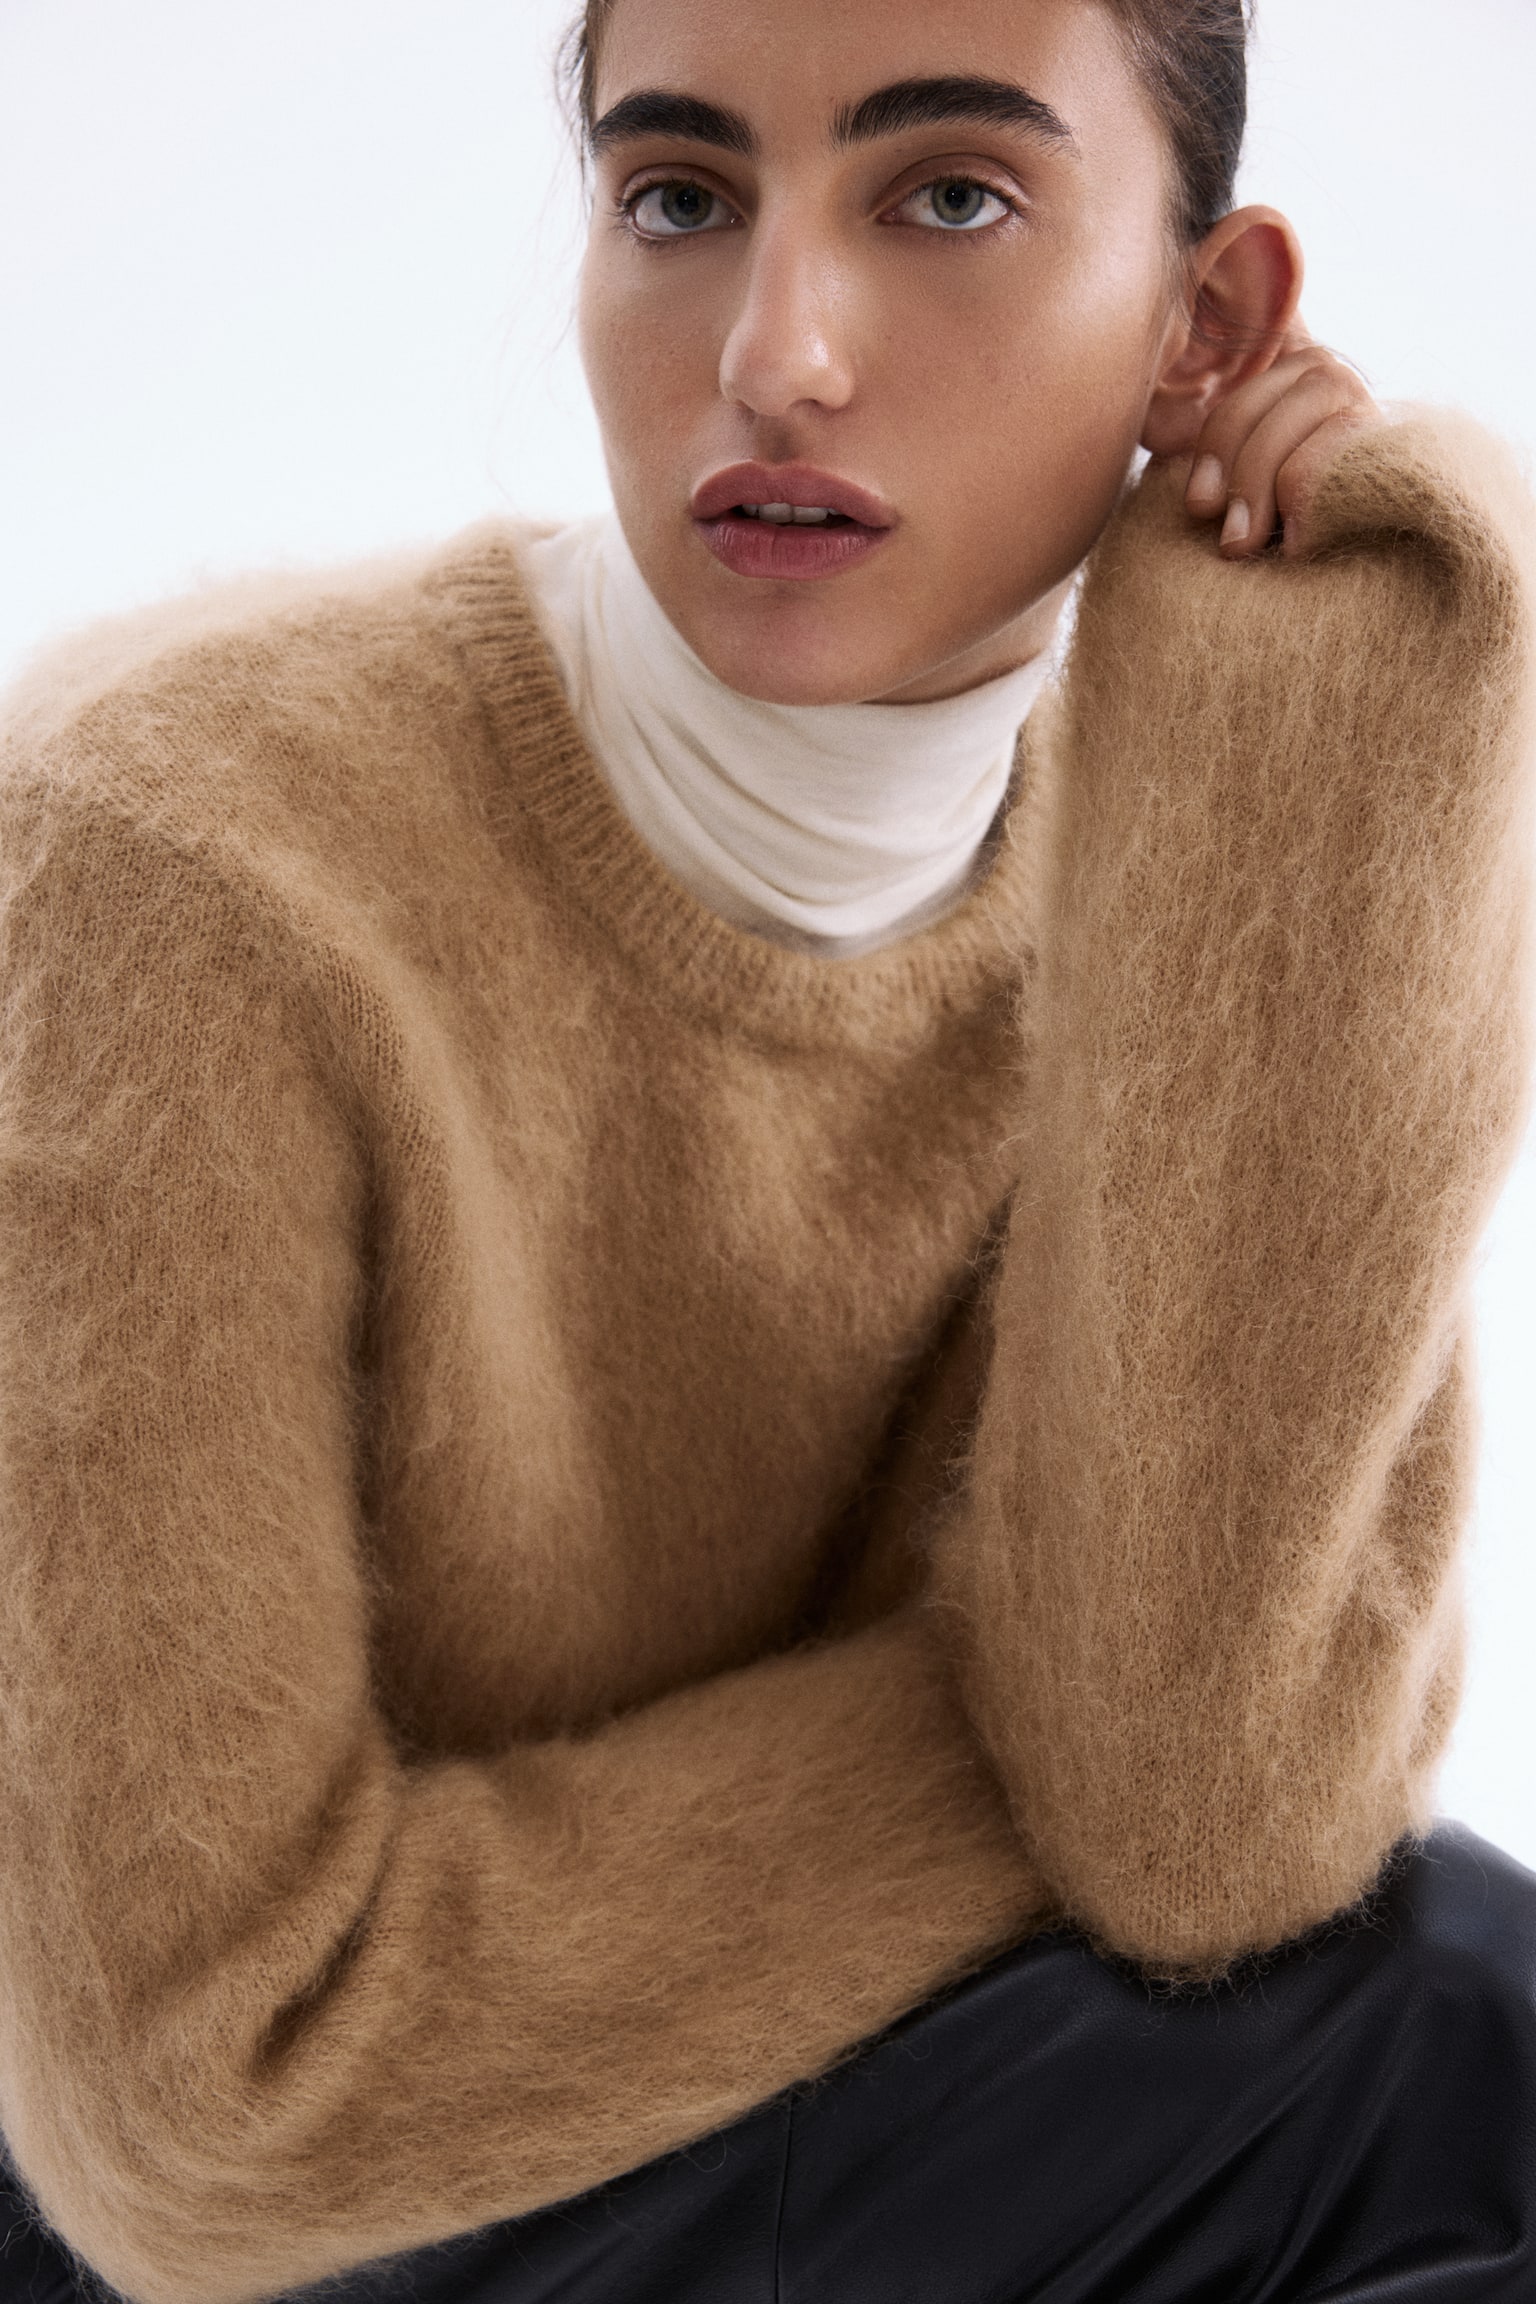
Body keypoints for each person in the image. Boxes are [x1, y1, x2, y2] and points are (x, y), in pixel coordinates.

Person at [1, 0, 1533, 2297]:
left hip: (765, 2082)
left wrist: (1322, 724)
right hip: (245, 2221)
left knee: (1444, 2021)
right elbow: (206, 2108)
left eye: (949, 197)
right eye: (679, 196)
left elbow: (1206, 1817)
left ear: (1204, 326)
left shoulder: (1182, 855)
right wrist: (1034, 1697)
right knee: (1448, 2053)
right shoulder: (171, 866)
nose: (777, 354)